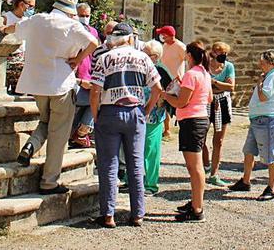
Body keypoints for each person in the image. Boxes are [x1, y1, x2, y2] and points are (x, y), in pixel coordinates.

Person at [0, 0, 99, 195]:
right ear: (71, 12)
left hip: (37, 84)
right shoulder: (72, 25)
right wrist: (78, 60)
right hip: (61, 83)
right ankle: (49, 182)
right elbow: (94, 43)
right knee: (59, 134)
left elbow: (12, 29)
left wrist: (0, 29)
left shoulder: (37, 20)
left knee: (45, 121)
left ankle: (30, 146)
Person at [89, 22, 159, 228]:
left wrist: (96, 115)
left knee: (108, 164)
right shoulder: (143, 57)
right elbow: (158, 88)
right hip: (135, 111)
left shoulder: (104, 58)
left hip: (109, 111)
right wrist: (146, 110)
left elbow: (94, 91)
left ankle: (108, 214)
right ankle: (137, 214)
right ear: (130, 39)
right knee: (135, 164)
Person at [162, 41, 212, 222]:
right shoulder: (204, 73)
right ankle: (196, 202)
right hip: (200, 119)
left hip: (191, 121)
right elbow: (209, 97)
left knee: (195, 167)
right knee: (195, 167)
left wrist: (165, 95)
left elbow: (180, 102)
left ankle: (197, 209)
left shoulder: (192, 74)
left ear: (190, 55)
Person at [230, 49, 274, 201]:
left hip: (268, 119)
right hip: (258, 119)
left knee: (270, 154)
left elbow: (262, 96)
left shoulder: (273, 77)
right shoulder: (269, 76)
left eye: (263, 63)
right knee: (249, 150)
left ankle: (271, 187)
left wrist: (259, 84)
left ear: (271, 63)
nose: (261, 66)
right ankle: (245, 180)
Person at [140, 39, 170, 196]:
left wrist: (160, 101)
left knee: (151, 150)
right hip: (138, 114)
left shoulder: (161, 70)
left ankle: (151, 184)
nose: (142, 55)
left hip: (154, 116)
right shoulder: (139, 67)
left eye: (145, 53)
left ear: (155, 56)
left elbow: (169, 90)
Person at [203, 41, 235, 187]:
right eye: (221, 53)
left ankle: (214, 174)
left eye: (225, 53)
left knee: (219, 141)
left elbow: (231, 86)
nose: (224, 56)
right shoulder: (205, 65)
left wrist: (214, 82)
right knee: (201, 137)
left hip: (221, 102)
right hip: (206, 101)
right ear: (214, 53)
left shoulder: (228, 66)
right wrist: (220, 85)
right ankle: (205, 164)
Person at [70, 3, 100, 149]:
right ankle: (79, 134)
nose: (85, 18)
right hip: (75, 77)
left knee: (95, 100)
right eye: (82, 15)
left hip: (89, 76)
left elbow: (95, 55)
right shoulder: (72, 30)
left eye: (87, 16)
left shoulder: (93, 31)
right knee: (87, 102)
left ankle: (81, 133)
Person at [3, 0, 35, 94]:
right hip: (9, 57)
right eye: (30, 6)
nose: (32, 10)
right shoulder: (6, 18)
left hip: (24, 57)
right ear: (21, 5)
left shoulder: (29, 20)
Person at [155, 25, 185, 139]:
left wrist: (182, 77)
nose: (161, 37)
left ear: (168, 35)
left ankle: (181, 127)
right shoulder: (165, 46)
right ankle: (166, 129)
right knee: (165, 102)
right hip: (164, 78)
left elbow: (187, 59)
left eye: (163, 34)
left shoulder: (180, 46)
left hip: (175, 81)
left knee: (176, 105)